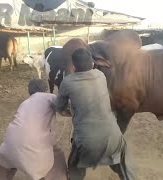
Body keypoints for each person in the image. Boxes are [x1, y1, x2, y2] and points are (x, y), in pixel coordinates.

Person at [55, 48, 137, 180]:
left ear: (74, 66)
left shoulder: (67, 82)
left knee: (74, 168)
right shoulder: (100, 76)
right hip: (113, 137)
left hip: (86, 142)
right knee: (124, 165)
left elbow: (59, 107)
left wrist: (71, 110)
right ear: (92, 64)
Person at [0, 79, 68, 180]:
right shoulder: (50, 97)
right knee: (55, 156)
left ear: (29, 92)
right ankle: (58, 177)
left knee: (6, 162)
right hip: (33, 143)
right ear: (46, 89)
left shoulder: (25, 103)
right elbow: (65, 109)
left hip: (11, 140)